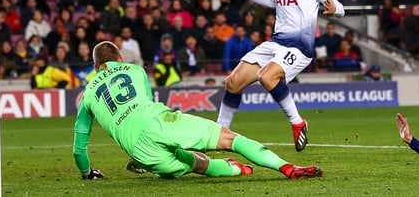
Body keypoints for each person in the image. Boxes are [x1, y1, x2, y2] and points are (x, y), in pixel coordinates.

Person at [72, 41, 322, 180]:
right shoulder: (135, 70)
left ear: (96, 66)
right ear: (119, 57)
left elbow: (79, 147)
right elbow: (145, 104)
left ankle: (234, 169)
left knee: (196, 164)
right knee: (230, 139)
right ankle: (286, 168)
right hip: (160, 122)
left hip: (140, 150)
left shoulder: (87, 95)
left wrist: (87, 174)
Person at [212, 0, 345, 151]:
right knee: (232, 82)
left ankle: (297, 122)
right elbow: (273, 0)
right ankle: (218, 133)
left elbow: (338, 6)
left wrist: (334, 10)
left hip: (300, 47)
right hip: (277, 43)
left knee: (267, 76)